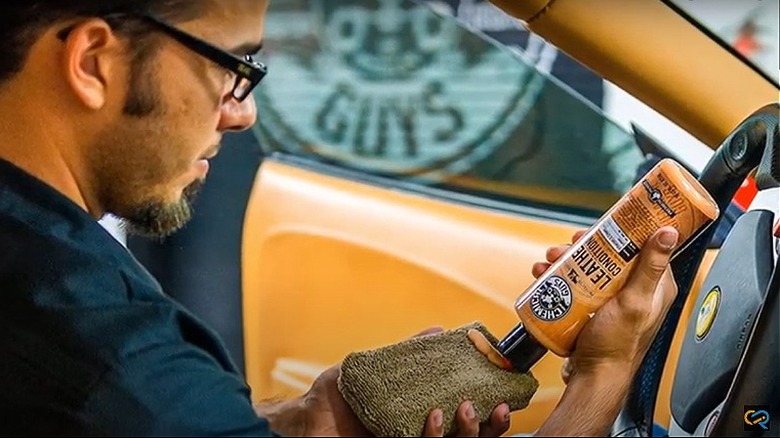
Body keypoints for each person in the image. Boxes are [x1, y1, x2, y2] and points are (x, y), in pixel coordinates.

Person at [0, 0, 679, 436]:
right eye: (233, 65)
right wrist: (605, 375)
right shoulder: (119, 369)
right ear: (92, 61)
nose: (242, 111)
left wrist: (311, 418)